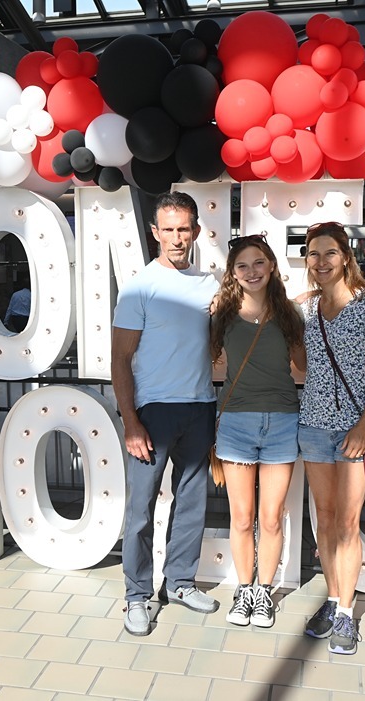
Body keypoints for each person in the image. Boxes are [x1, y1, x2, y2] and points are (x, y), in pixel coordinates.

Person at [111, 191, 221, 637]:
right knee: (140, 510)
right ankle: (137, 596)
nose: (177, 238)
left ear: (195, 231)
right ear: (155, 233)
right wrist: (131, 422)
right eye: (168, 229)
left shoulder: (211, 284)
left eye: (184, 229)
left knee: (192, 504)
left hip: (200, 407)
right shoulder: (140, 285)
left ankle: (179, 582)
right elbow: (120, 359)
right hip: (153, 412)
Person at [297, 221, 365, 656]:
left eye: (329, 253)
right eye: (313, 254)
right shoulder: (307, 309)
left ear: (346, 256)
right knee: (325, 517)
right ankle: (333, 599)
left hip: (356, 428)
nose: (321, 262)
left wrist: (364, 425)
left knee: (349, 523)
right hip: (314, 423)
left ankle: (346, 614)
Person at [210, 235, 305, 629]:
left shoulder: (288, 313)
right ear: (233, 272)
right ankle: (244, 588)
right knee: (242, 517)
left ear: (271, 267)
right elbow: (207, 358)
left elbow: (301, 364)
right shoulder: (223, 313)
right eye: (243, 265)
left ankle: (264, 593)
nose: (252, 271)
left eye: (258, 263)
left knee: (271, 518)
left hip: (282, 420)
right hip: (235, 421)